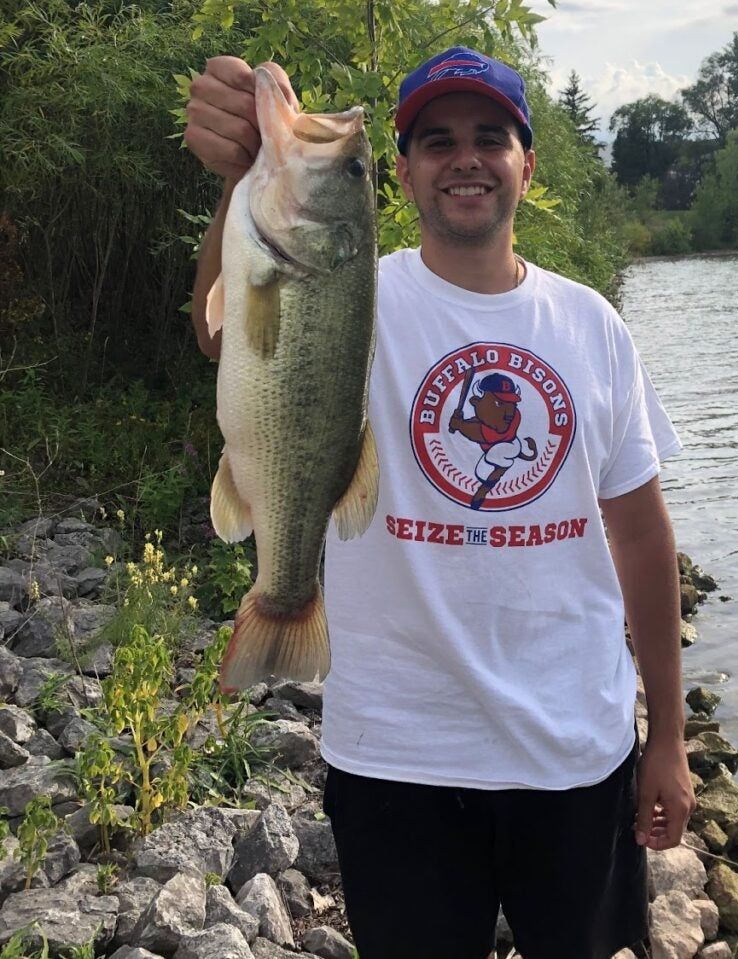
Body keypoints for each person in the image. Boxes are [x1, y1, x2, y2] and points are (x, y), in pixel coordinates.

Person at [184, 45, 696, 959]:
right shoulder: (355, 292)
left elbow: (645, 538)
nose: (465, 157)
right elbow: (226, 330)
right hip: (396, 754)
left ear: (526, 165)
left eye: (490, 137)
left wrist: (669, 735)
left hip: (574, 750)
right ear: (406, 172)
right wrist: (242, 177)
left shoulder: (592, 325)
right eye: (437, 141)